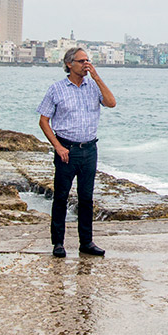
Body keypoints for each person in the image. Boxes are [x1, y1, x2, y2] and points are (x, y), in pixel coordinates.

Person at [38, 48, 117, 258]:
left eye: (87, 60)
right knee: (61, 197)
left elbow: (111, 103)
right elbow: (43, 121)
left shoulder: (93, 86)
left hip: (89, 149)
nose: (86, 64)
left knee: (86, 198)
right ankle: (58, 243)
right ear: (69, 64)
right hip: (66, 149)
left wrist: (97, 77)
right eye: (81, 61)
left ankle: (86, 242)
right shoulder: (56, 89)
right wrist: (58, 146)